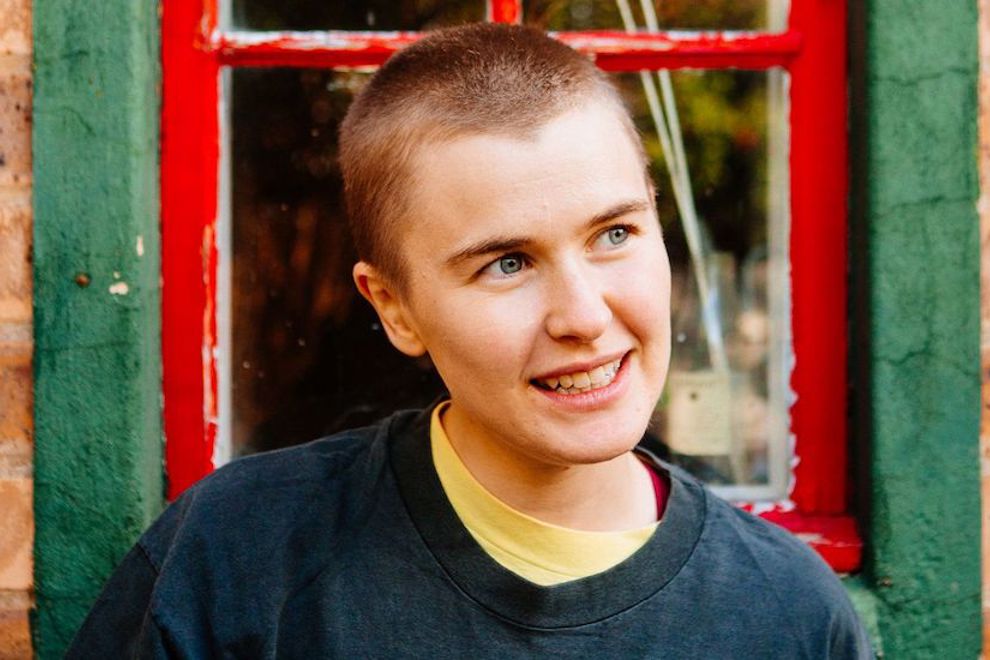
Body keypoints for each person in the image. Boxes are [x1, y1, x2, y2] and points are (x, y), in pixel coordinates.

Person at [68, 23, 871, 658]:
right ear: (395, 309)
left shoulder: (788, 613)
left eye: (615, 234)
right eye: (507, 263)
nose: (584, 316)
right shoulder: (238, 557)